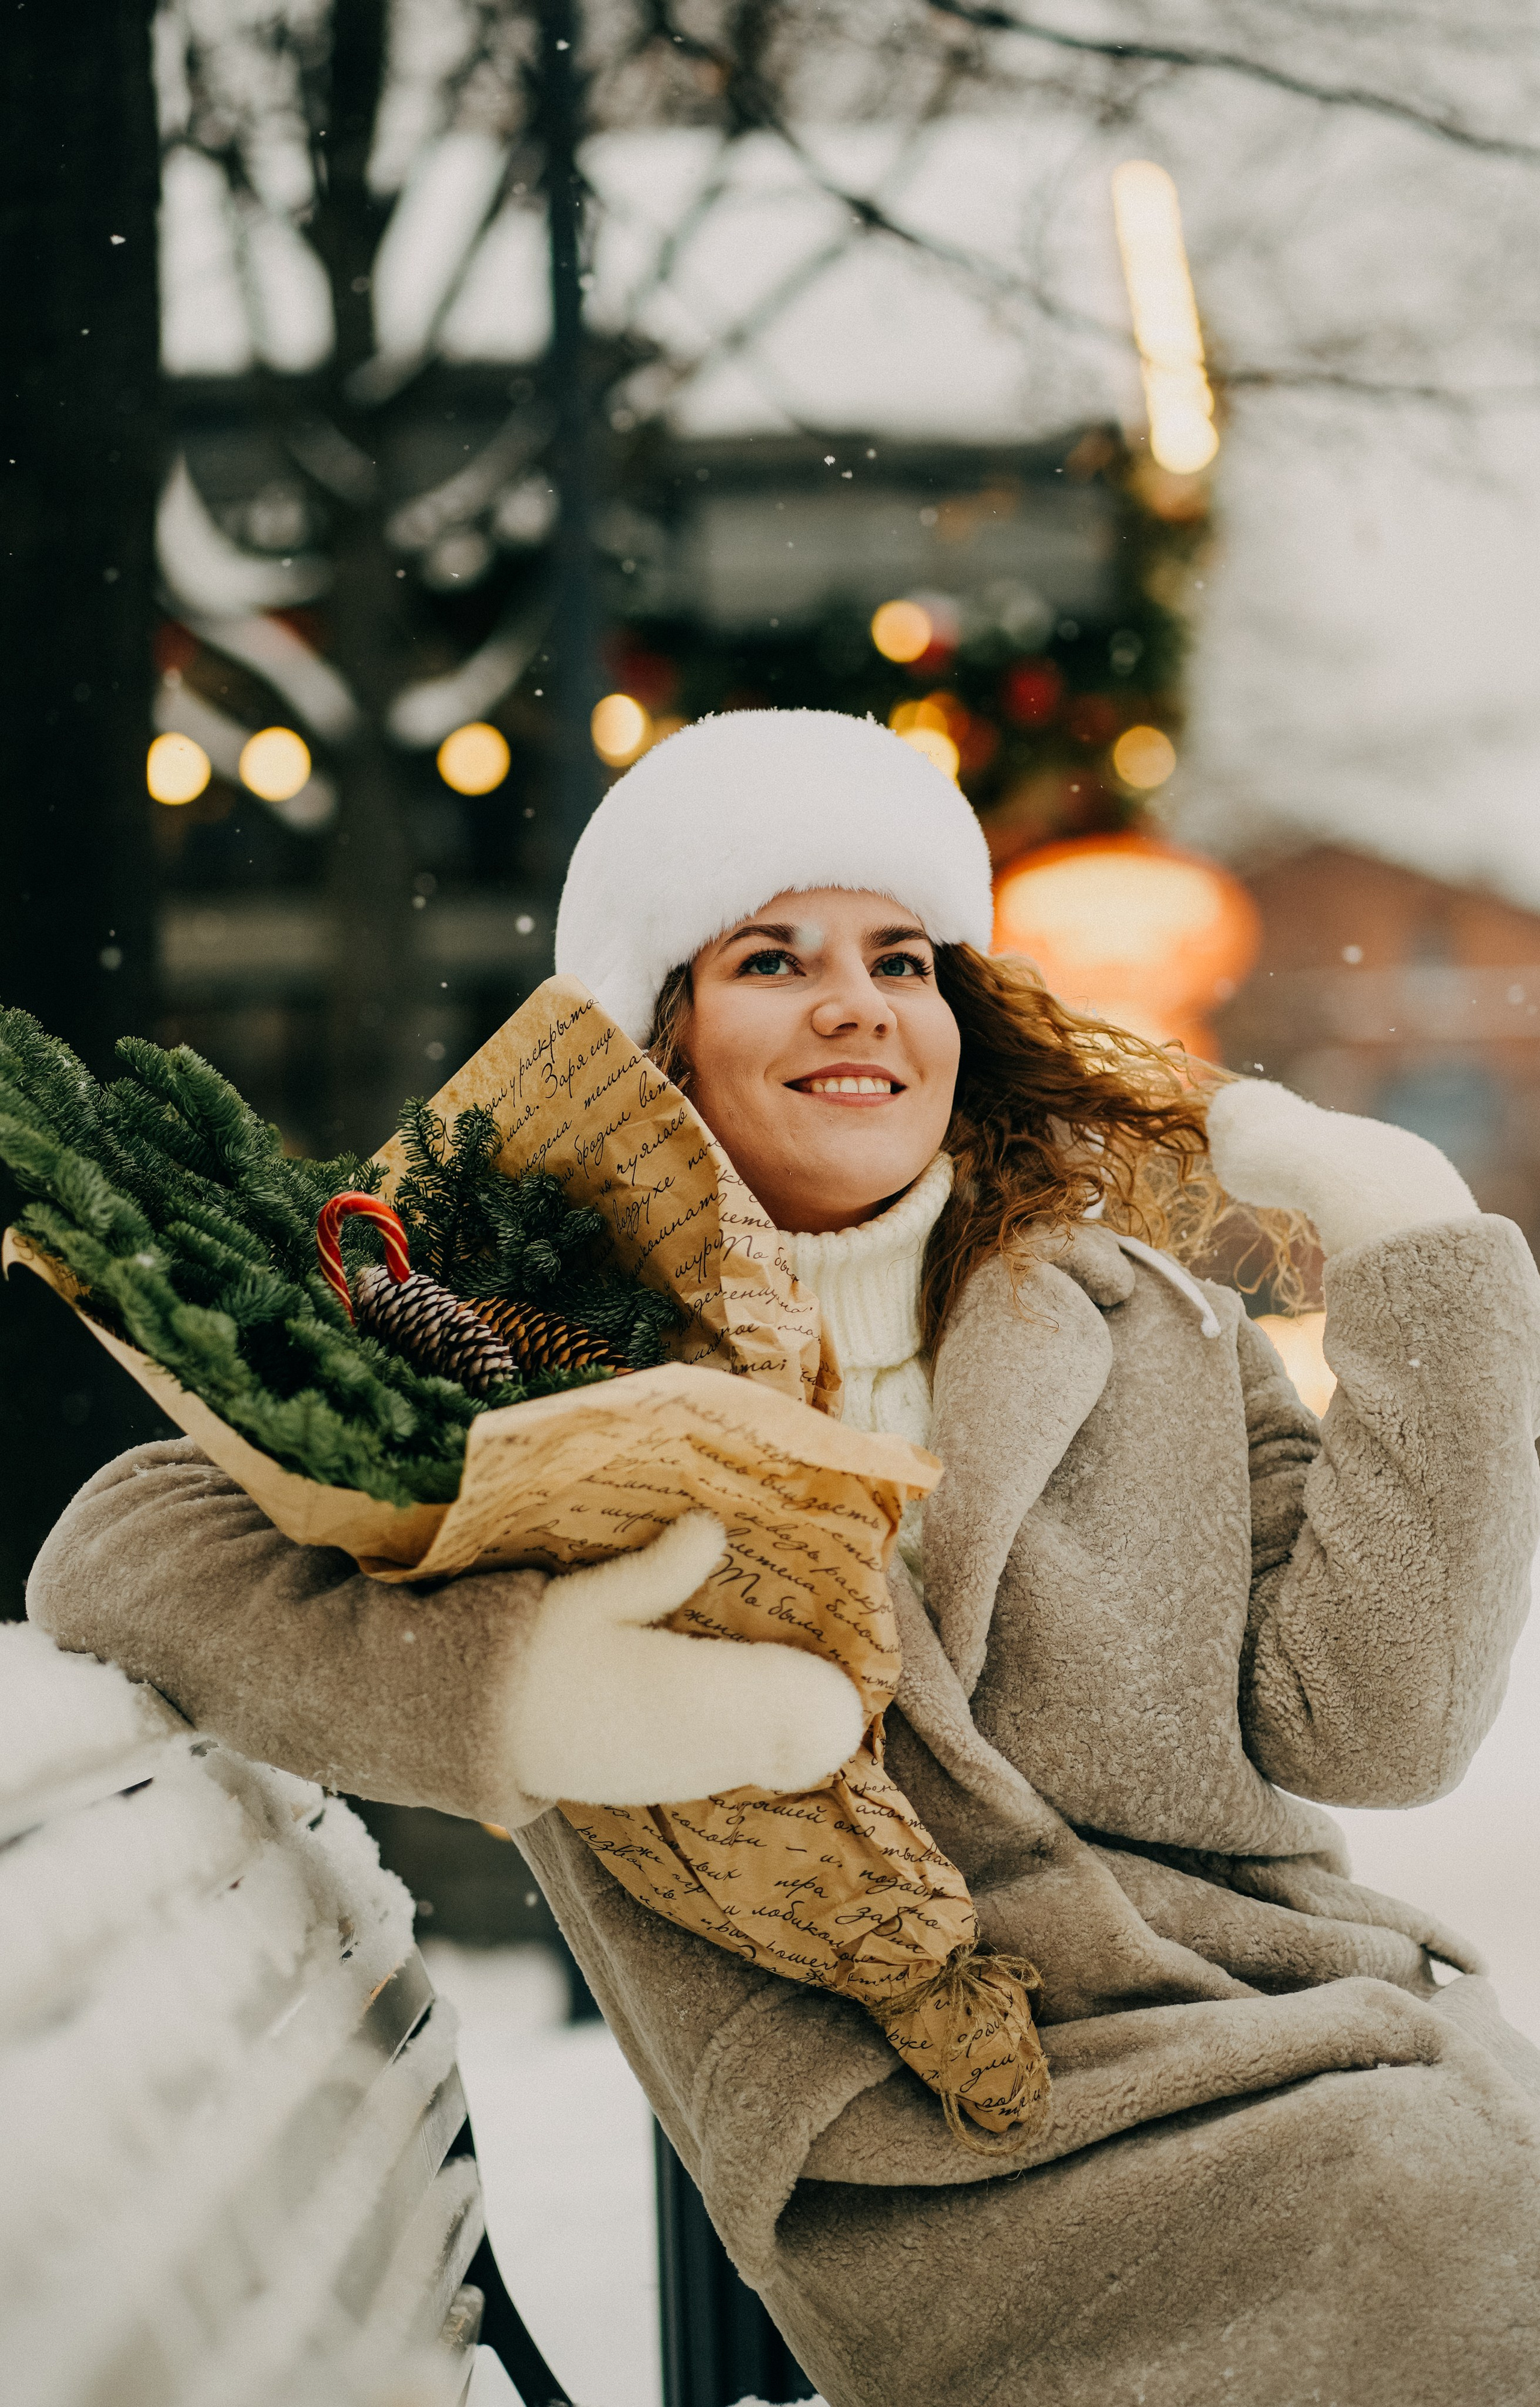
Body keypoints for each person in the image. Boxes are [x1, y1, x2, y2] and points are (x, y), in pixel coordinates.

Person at [29, 710, 1540, 2406]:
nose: (859, 1003)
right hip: (954, 2155)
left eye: (903, 957)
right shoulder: (508, 1355)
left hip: (1332, 2047)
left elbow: (1380, 1728)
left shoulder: (1153, 1325)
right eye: (774, 958)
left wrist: (1417, 1253)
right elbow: (122, 1548)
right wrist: (537, 1695)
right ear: (656, 1033)